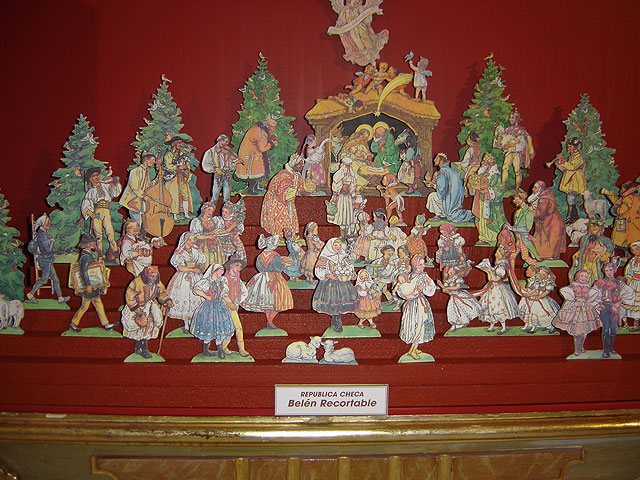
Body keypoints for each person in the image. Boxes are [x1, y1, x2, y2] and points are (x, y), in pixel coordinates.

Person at [67, 234, 117, 332]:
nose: (94, 244)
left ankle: (106, 324)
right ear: (88, 245)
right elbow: (84, 272)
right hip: (89, 286)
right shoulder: (85, 257)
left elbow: (92, 267)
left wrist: (98, 263)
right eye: (93, 243)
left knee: (94, 305)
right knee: (87, 306)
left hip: (91, 286)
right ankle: (74, 324)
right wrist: (88, 285)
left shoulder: (87, 255)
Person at [121, 265, 173, 359]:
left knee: (149, 325)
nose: (154, 278)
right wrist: (138, 311)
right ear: (146, 275)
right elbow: (130, 297)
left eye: (156, 276)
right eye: (152, 276)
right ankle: (142, 348)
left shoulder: (157, 284)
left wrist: (166, 300)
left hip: (149, 305)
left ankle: (141, 348)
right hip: (137, 307)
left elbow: (162, 293)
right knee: (140, 325)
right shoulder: (136, 283)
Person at [242, 234, 293, 330]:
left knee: (268, 301)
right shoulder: (275, 255)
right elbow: (278, 268)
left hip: (262, 277)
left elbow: (259, 267)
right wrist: (284, 266)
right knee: (278, 300)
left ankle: (269, 320)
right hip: (274, 277)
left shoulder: (260, 255)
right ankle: (270, 320)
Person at [312, 237, 358, 333]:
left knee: (342, 300)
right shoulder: (325, 257)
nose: (338, 247)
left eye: (339, 245)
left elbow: (349, 267)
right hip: (330, 284)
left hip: (342, 282)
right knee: (333, 301)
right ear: (330, 246)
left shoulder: (343, 256)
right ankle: (336, 321)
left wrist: (352, 274)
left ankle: (338, 318)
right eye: (335, 245)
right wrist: (328, 275)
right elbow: (318, 270)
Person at [553, 269, 602, 356]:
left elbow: (592, 296)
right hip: (575, 309)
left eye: (586, 276)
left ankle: (581, 346)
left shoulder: (589, 287)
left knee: (584, 330)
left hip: (585, 310)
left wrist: (589, 302)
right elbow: (565, 292)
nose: (583, 278)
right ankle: (578, 348)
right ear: (577, 276)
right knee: (577, 331)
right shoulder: (573, 286)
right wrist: (573, 301)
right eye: (582, 276)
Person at [191, 264, 235, 359]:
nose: (222, 272)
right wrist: (206, 296)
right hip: (208, 307)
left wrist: (231, 303)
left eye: (222, 270)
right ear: (214, 271)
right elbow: (196, 290)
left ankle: (220, 350)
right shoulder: (206, 282)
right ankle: (205, 350)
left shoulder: (221, 282)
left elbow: (224, 295)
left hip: (219, 306)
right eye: (220, 270)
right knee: (208, 327)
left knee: (220, 327)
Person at [397, 255, 437, 360]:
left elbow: (431, 288)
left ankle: (414, 349)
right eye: (420, 264)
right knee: (415, 325)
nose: (422, 266)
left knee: (421, 325)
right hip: (413, 304)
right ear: (415, 265)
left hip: (420, 302)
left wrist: (422, 288)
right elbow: (405, 289)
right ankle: (412, 350)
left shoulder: (424, 276)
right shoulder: (410, 275)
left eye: (423, 264)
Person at [327, 0, 389, 67]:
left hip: (363, 29)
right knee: (359, 44)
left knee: (368, 43)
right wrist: (339, 27)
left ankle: (371, 58)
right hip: (352, 31)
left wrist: (366, 14)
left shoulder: (359, 8)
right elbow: (340, 21)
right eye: (355, 1)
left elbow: (367, 21)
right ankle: (368, 58)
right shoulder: (344, 10)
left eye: (357, 1)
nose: (356, 2)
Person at [25, 214, 70, 305]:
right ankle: (30, 294)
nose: (49, 224)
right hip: (45, 261)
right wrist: (52, 242)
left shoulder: (44, 234)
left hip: (47, 260)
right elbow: (48, 250)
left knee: (55, 279)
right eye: (47, 222)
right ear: (42, 223)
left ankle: (60, 298)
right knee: (44, 280)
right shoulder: (42, 235)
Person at [594, 260, 635, 358]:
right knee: (606, 328)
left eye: (610, 270)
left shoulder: (619, 283)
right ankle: (606, 350)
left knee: (614, 328)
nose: (608, 272)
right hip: (604, 307)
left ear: (615, 270)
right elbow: (593, 294)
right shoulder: (600, 282)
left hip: (615, 308)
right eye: (606, 270)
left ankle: (610, 347)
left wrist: (619, 302)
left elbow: (629, 293)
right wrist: (599, 304)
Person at [166, 232, 206, 331]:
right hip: (183, 277)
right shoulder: (180, 252)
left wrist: (198, 269)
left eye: (193, 239)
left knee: (196, 298)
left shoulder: (196, 251)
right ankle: (186, 324)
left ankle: (194, 323)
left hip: (196, 276)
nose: (192, 241)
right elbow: (179, 267)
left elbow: (201, 263)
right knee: (185, 296)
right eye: (190, 239)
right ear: (185, 240)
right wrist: (192, 270)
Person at [81, 167, 122, 260]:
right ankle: (100, 257)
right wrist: (91, 214)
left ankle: (116, 255)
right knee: (98, 236)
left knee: (110, 234)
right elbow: (85, 204)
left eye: (97, 175)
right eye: (93, 176)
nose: (96, 178)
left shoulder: (105, 186)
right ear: (90, 179)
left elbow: (115, 192)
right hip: (97, 212)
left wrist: (113, 182)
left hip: (106, 212)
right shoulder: (91, 191)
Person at [260, 154, 306, 238]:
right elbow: (280, 190)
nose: (301, 167)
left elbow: (300, 188)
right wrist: (289, 193)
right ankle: (280, 236)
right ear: (294, 165)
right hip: (276, 200)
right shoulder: (284, 175)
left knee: (290, 218)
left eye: (302, 165)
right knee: (281, 218)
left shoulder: (297, 175)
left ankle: (290, 235)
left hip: (288, 200)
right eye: (299, 165)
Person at [468, 152, 506, 245]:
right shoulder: (483, 172)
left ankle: (493, 237)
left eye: (484, 161)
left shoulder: (495, 174)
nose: (482, 163)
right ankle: (483, 236)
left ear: (489, 162)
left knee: (488, 218)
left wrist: (488, 191)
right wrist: (472, 186)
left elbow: (499, 189)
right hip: (480, 199)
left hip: (490, 202)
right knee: (481, 218)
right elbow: (478, 184)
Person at [475, 257, 519, 335]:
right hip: (491, 288)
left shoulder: (501, 269)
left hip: (498, 290)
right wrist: (487, 272)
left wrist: (490, 271)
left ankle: (504, 327)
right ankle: (492, 326)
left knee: (499, 307)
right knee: (490, 307)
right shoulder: (495, 268)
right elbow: (490, 279)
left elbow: (496, 279)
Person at [426, 153, 474, 223]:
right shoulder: (448, 170)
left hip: (450, 198)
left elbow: (442, 189)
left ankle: (438, 215)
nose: (434, 160)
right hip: (455, 197)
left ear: (440, 160)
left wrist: (433, 185)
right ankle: (443, 214)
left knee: (432, 196)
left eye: (436, 158)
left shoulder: (442, 171)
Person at [493, 110, 533, 191]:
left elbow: (522, 144)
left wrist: (513, 147)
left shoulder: (521, 130)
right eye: (510, 118)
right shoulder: (507, 129)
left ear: (517, 119)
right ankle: (503, 187)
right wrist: (499, 142)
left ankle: (517, 189)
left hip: (516, 152)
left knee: (517, 170)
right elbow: (504, 142)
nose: (510, 119)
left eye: (512, 118)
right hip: (508, 152)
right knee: (504, 168)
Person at [236, 118, 278, 194]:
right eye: (272, 127)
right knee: (255, 173)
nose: (273, 129)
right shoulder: (261, 132)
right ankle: (251, 189)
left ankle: (255, 188)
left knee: (258, 172)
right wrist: (271, 144)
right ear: (268, 126)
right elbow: (262, 147)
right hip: (251, 154)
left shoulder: (258, 129)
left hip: (252, 152)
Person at [528, 181, 567, 260]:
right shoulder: (540, 196)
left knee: (550, 242)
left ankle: (549, 257)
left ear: (540, 189)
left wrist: (530, 210)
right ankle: (542, 257)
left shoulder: (544, 199)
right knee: (541, 241)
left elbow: (540, 213)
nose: (533, 189)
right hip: (546, 223)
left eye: (535, 187)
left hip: (552, 224)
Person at [553, 137, 587, 224]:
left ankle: (572, 217)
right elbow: (566, 170)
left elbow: (572, 167)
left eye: (570, 147)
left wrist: (563, 162)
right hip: (571, 181)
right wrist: (558, 165)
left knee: (571, 198)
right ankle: (573, 216)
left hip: (576, 182)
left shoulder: (579, 157)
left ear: (575, 147)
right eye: (568, 147)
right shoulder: (571, 157)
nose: (569, 149)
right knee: (570, 199)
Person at [441, 264, 483, 333]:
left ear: (455, 272)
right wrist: (444, 288)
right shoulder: (449, 280)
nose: (450, 274)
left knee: (462, 309)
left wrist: (447, 288)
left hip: (459, 295)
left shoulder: (458, 279)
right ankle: (453, 325)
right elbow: (446, 290)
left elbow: (456, 287)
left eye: (452, 272)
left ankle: (462, 323)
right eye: (449, 273)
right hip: (453, 297)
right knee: (451, 310)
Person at [201, 134, 239, 209]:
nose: (224, 143)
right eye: (223, 140)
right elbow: (205, 165)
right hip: (218, 176)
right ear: (219, 140)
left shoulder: (227, 152)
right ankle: (210, 212)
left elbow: (231, 166)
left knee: (227, 199)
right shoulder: (210, 152)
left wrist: (235, 163)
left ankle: (226, 213)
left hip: (227, 176)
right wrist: (215, 169)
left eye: (226, 142)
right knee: (214, 198)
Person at [119, 153, 157, 226]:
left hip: (140, 200)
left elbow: (147, 186)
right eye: (152, 160)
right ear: (146, 159)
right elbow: (134, 186)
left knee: (142, 219)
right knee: (136, 220)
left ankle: (139, 231)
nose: (153, 162)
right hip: (132, 199)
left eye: (154, 160)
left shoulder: (146, 172)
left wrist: (153, 183)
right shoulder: (135, 171)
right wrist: (143, 196)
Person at [224, 257, 250, 357]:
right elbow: (222, 294)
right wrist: (229, 303)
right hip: (226, 307)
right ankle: (240, 349)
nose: (239, 268)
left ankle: (224, 347)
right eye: (237, 265)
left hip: (234, 307)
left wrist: (237, 302)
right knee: (236, 327)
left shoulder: (238, 280)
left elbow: (245, 292)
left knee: (233, 328)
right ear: (231, 265)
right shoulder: (224, 279)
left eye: (240, 266)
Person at [163, 135, 194, 219]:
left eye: (181, 143)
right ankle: (174, 215)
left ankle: (186, 214)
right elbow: (167, 166)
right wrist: (178, 167)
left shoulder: (183, 155)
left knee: (185, 195)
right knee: (174, 195)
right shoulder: (169, 154)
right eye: (178, 143)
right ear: (174, 144)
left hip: (182, 177)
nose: (180, 144)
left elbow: (187, 166)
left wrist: (188, 175)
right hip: (172, 177)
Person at [604, 181, 640, 251]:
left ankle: (629, 254)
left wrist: (616, 210)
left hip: (629, 224)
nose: (621, 190)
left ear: (626, 189)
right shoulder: (630, 197)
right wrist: (609, 195)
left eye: (622, 188)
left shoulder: (628, 198)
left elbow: (622, 210)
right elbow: (617, 202)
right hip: (631, 223)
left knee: (627, 242)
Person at [330, 154, 359, 237]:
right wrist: (338, 190)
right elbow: (335, 186)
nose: (348, 168)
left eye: (349, 166)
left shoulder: (352, 176)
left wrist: (352, 192)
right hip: (341, 198)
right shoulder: (338, 175)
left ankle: (348, 233)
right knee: (341, 215)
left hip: (349, 198)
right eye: (346, 166)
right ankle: (342, 233)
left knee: (349, 215)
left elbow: (353, 185)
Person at [622, 242, 640, 331]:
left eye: (637, 249)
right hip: (634, 283)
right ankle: (634, 324)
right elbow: (628, 272)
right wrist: (628, 283)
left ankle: (637, 324)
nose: (635, 252)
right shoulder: (633, 260)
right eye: (633, 250)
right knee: (633, 303)